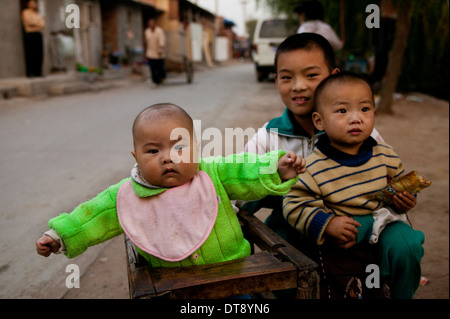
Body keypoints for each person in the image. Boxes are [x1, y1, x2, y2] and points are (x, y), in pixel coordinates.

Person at [36, 103, 306, 274]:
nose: (167, 157)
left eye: (179, 147)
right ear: (136, 157)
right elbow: (91, 218)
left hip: (232, 271)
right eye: (153, 151)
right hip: (172, 285)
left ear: (196, 150)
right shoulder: (125, 195)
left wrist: (276, 168)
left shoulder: (211, 173)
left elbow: (243, 171)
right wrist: (59, 235)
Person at [283, 72, 425, 299]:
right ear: (319, 121)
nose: (356, 118)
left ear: (374, 113)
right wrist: (327, 224)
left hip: (383, 225)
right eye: (342, 111)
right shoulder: (313, 166)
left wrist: (405, 199)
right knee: (345, 280)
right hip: (343, 237)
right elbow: (293, 205)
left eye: (364, 109)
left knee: (407, 244)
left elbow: (400, 185)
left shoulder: (385, 154)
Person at [242, 33, 383, 240]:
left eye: (311, 75)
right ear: (276, 81)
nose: (298, 86)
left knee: (404, 244)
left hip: (356, 233)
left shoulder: (360, 134)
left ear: (334, 76)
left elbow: (385, 182)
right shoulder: (268, 137)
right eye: (287, 77)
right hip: (290, 240)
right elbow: (241, 189)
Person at [21, 0, 45, 77]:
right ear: (28, 4)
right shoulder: (25, 12)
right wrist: (36, 23)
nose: (33, 4)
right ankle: (31, 72)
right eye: (31, 3)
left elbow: (42, 24)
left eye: (34, 3)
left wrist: (35, 24)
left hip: (38, 35)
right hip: (30, 35)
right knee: (31, 54)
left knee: (39, 54)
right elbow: (28, 22)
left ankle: (38, 72)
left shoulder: (37, 14)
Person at [144, 18, 166, 87]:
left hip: (159, 52)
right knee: (152, 68)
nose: (151, 25)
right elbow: (146, 42)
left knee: (160, 67)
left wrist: (160, 49)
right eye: (149, 24)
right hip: (150, 52)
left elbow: (162, 40)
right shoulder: (147, 31)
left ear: (155, 24)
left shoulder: (159, 31)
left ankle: (162, 77)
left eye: (152, 23)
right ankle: (155, 81)